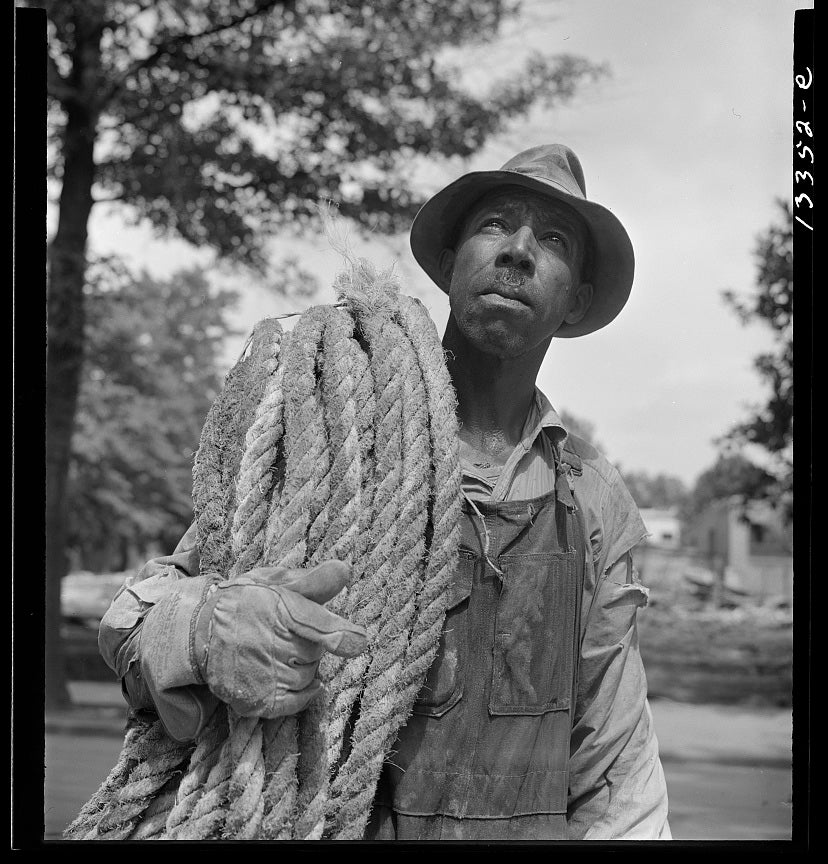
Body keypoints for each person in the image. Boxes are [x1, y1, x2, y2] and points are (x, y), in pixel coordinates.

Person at [98, 143, 671, 840]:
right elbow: (133, 625)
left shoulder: (591, 498)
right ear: (453, 262)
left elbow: (618, 767)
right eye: (495, 225)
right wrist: (196, 630)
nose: (519, 250)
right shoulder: (339, 437)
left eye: (553, 241)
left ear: (575, 296)